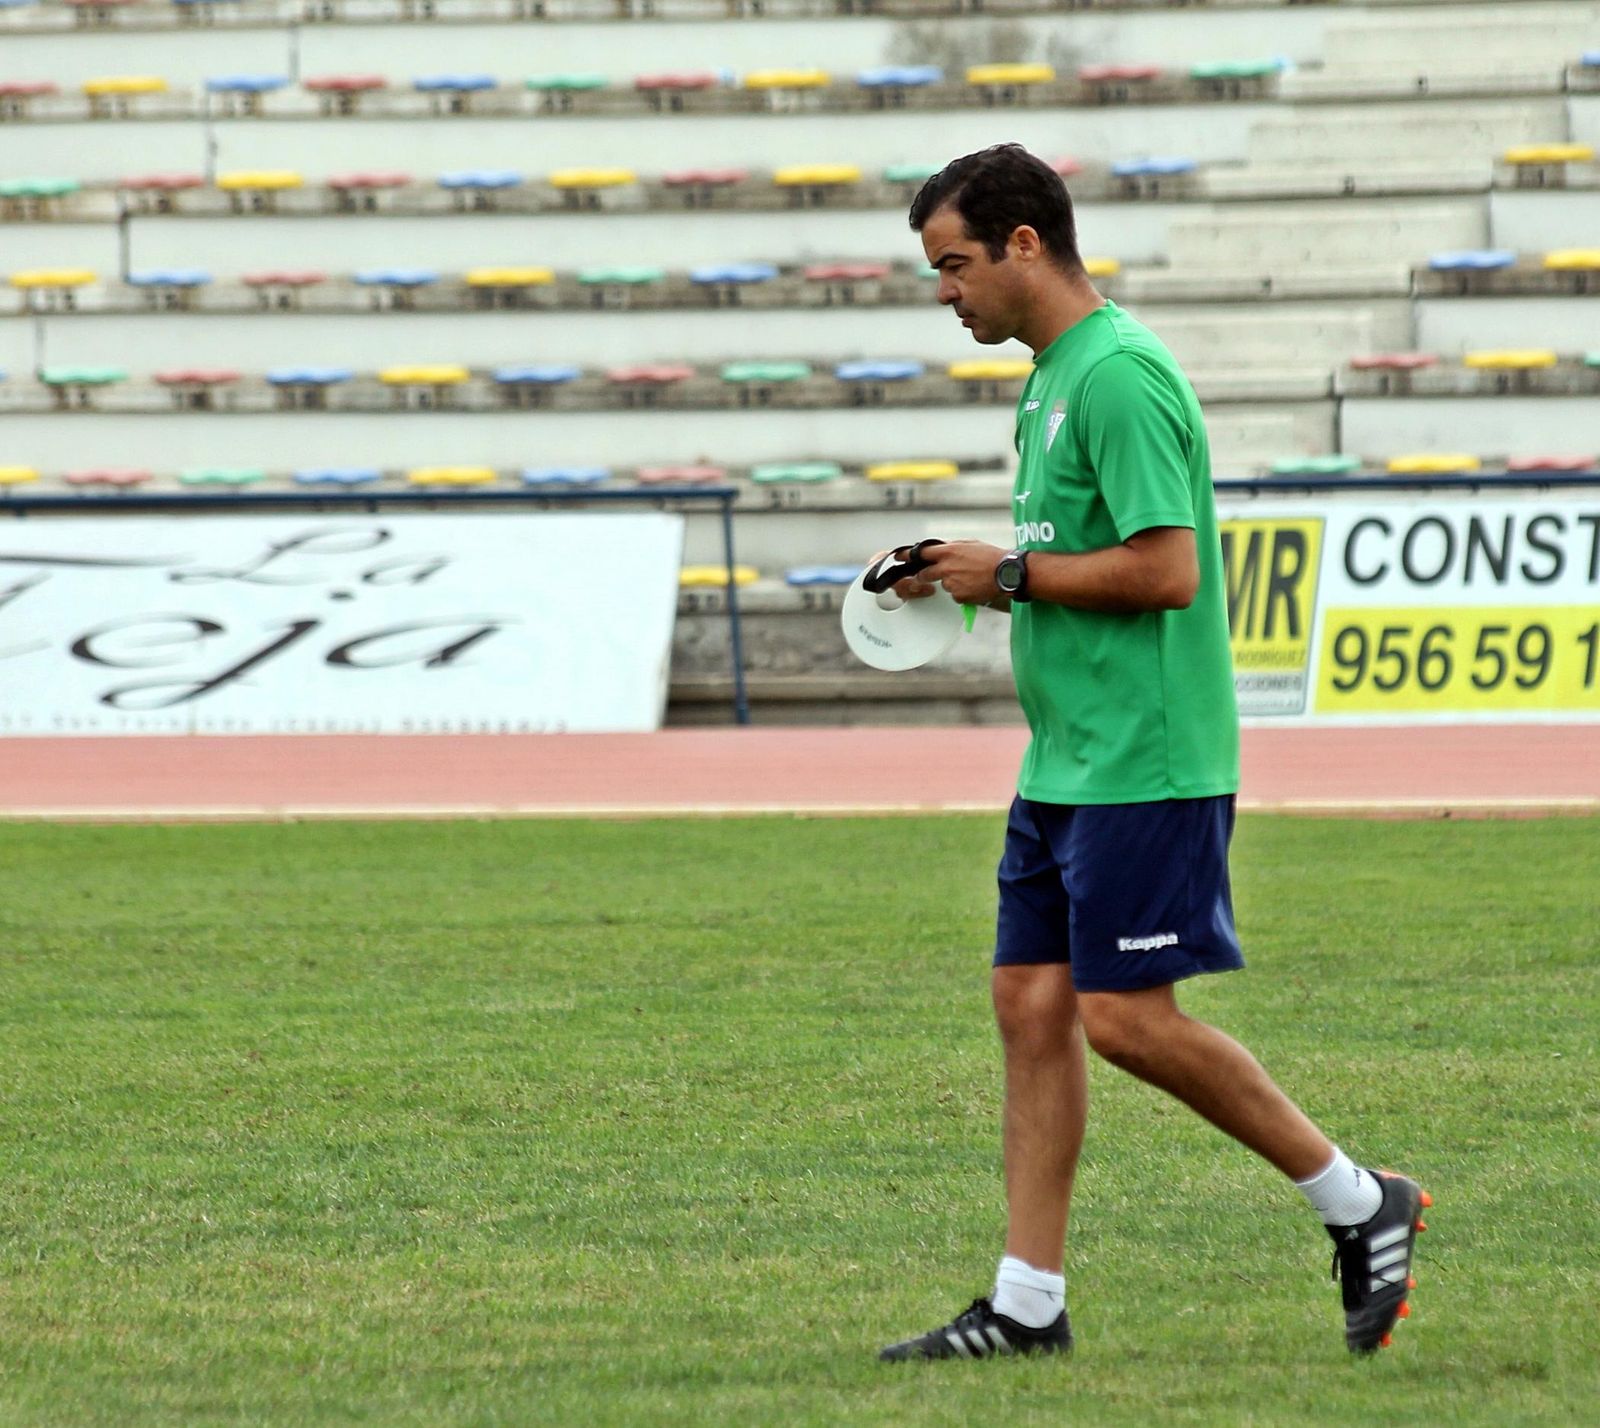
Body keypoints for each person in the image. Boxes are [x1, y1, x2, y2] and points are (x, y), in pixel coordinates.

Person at [876, 144, 1429, 1364]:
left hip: (1147, 759)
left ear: (1025, 244)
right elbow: (1066, 556)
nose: (945, 291)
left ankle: (1356, 1200)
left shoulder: (1118, 375)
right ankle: (1026, 1306)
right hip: (1067, 758)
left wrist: (1004, 574)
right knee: (1029, 1004)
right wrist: (964, 572)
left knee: (1122, 1017)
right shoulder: (1049, 376)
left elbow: (1167, 572)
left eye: (954, 264)